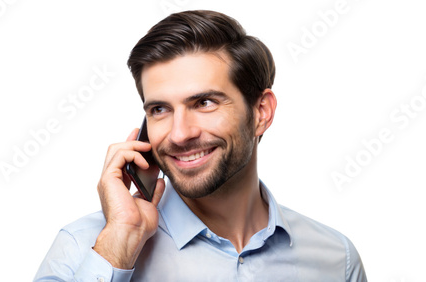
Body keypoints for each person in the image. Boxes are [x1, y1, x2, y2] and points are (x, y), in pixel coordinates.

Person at [34, 10, 367, 281]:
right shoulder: (85, 249)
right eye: (160, 109)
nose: (179, 134)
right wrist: (119, 243)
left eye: (204, 102)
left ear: (261, 112)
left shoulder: (336, 260)